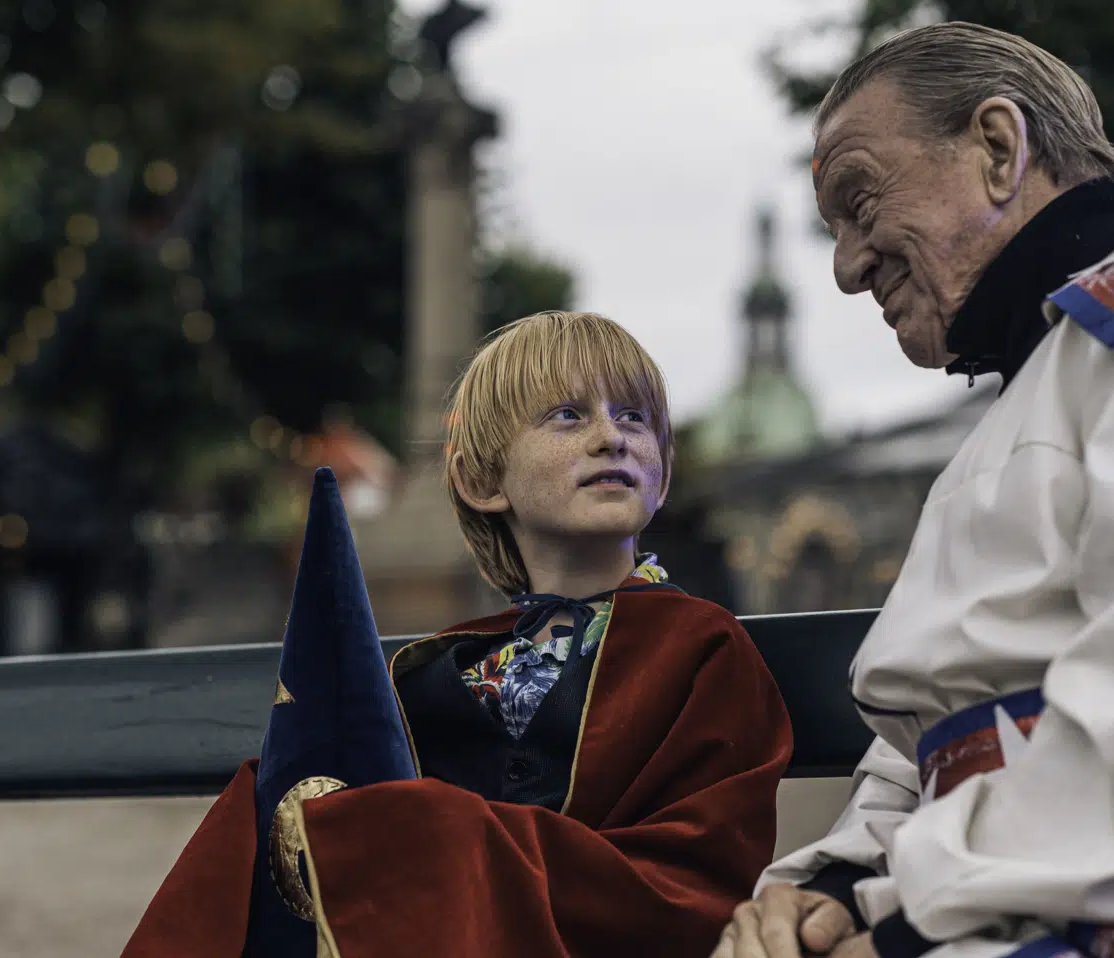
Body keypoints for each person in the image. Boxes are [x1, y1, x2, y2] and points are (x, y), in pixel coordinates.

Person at [714, 21, 1114, 958]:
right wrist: (829, 889)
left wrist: (902, 925)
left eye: (860, 201)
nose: (844, 267)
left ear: (999, 148)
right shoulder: (1021, 408)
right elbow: (936, 736)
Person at [122, 310, 793, 958]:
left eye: (633, 417)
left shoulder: (702, 646)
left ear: (663, 472)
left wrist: (455, 836)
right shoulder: (442, 670)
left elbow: (697, 884)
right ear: (482, 480)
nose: (610, 436)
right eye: (568, 415)